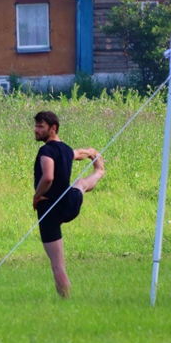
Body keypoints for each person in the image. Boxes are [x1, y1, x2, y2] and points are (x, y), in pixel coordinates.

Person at [32, 111, 105, 298]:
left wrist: (36, 196)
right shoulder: (65, 149)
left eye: (40, 126)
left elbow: (48, 177)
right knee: (80, 183)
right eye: (36, 126)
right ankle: (99, 173)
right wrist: (92, 153)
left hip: (49, 209)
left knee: (57, 265)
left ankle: (66, 301)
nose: (36, 130)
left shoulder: (46, 151)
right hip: (69, 205)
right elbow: (78, 154)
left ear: (53, 128)